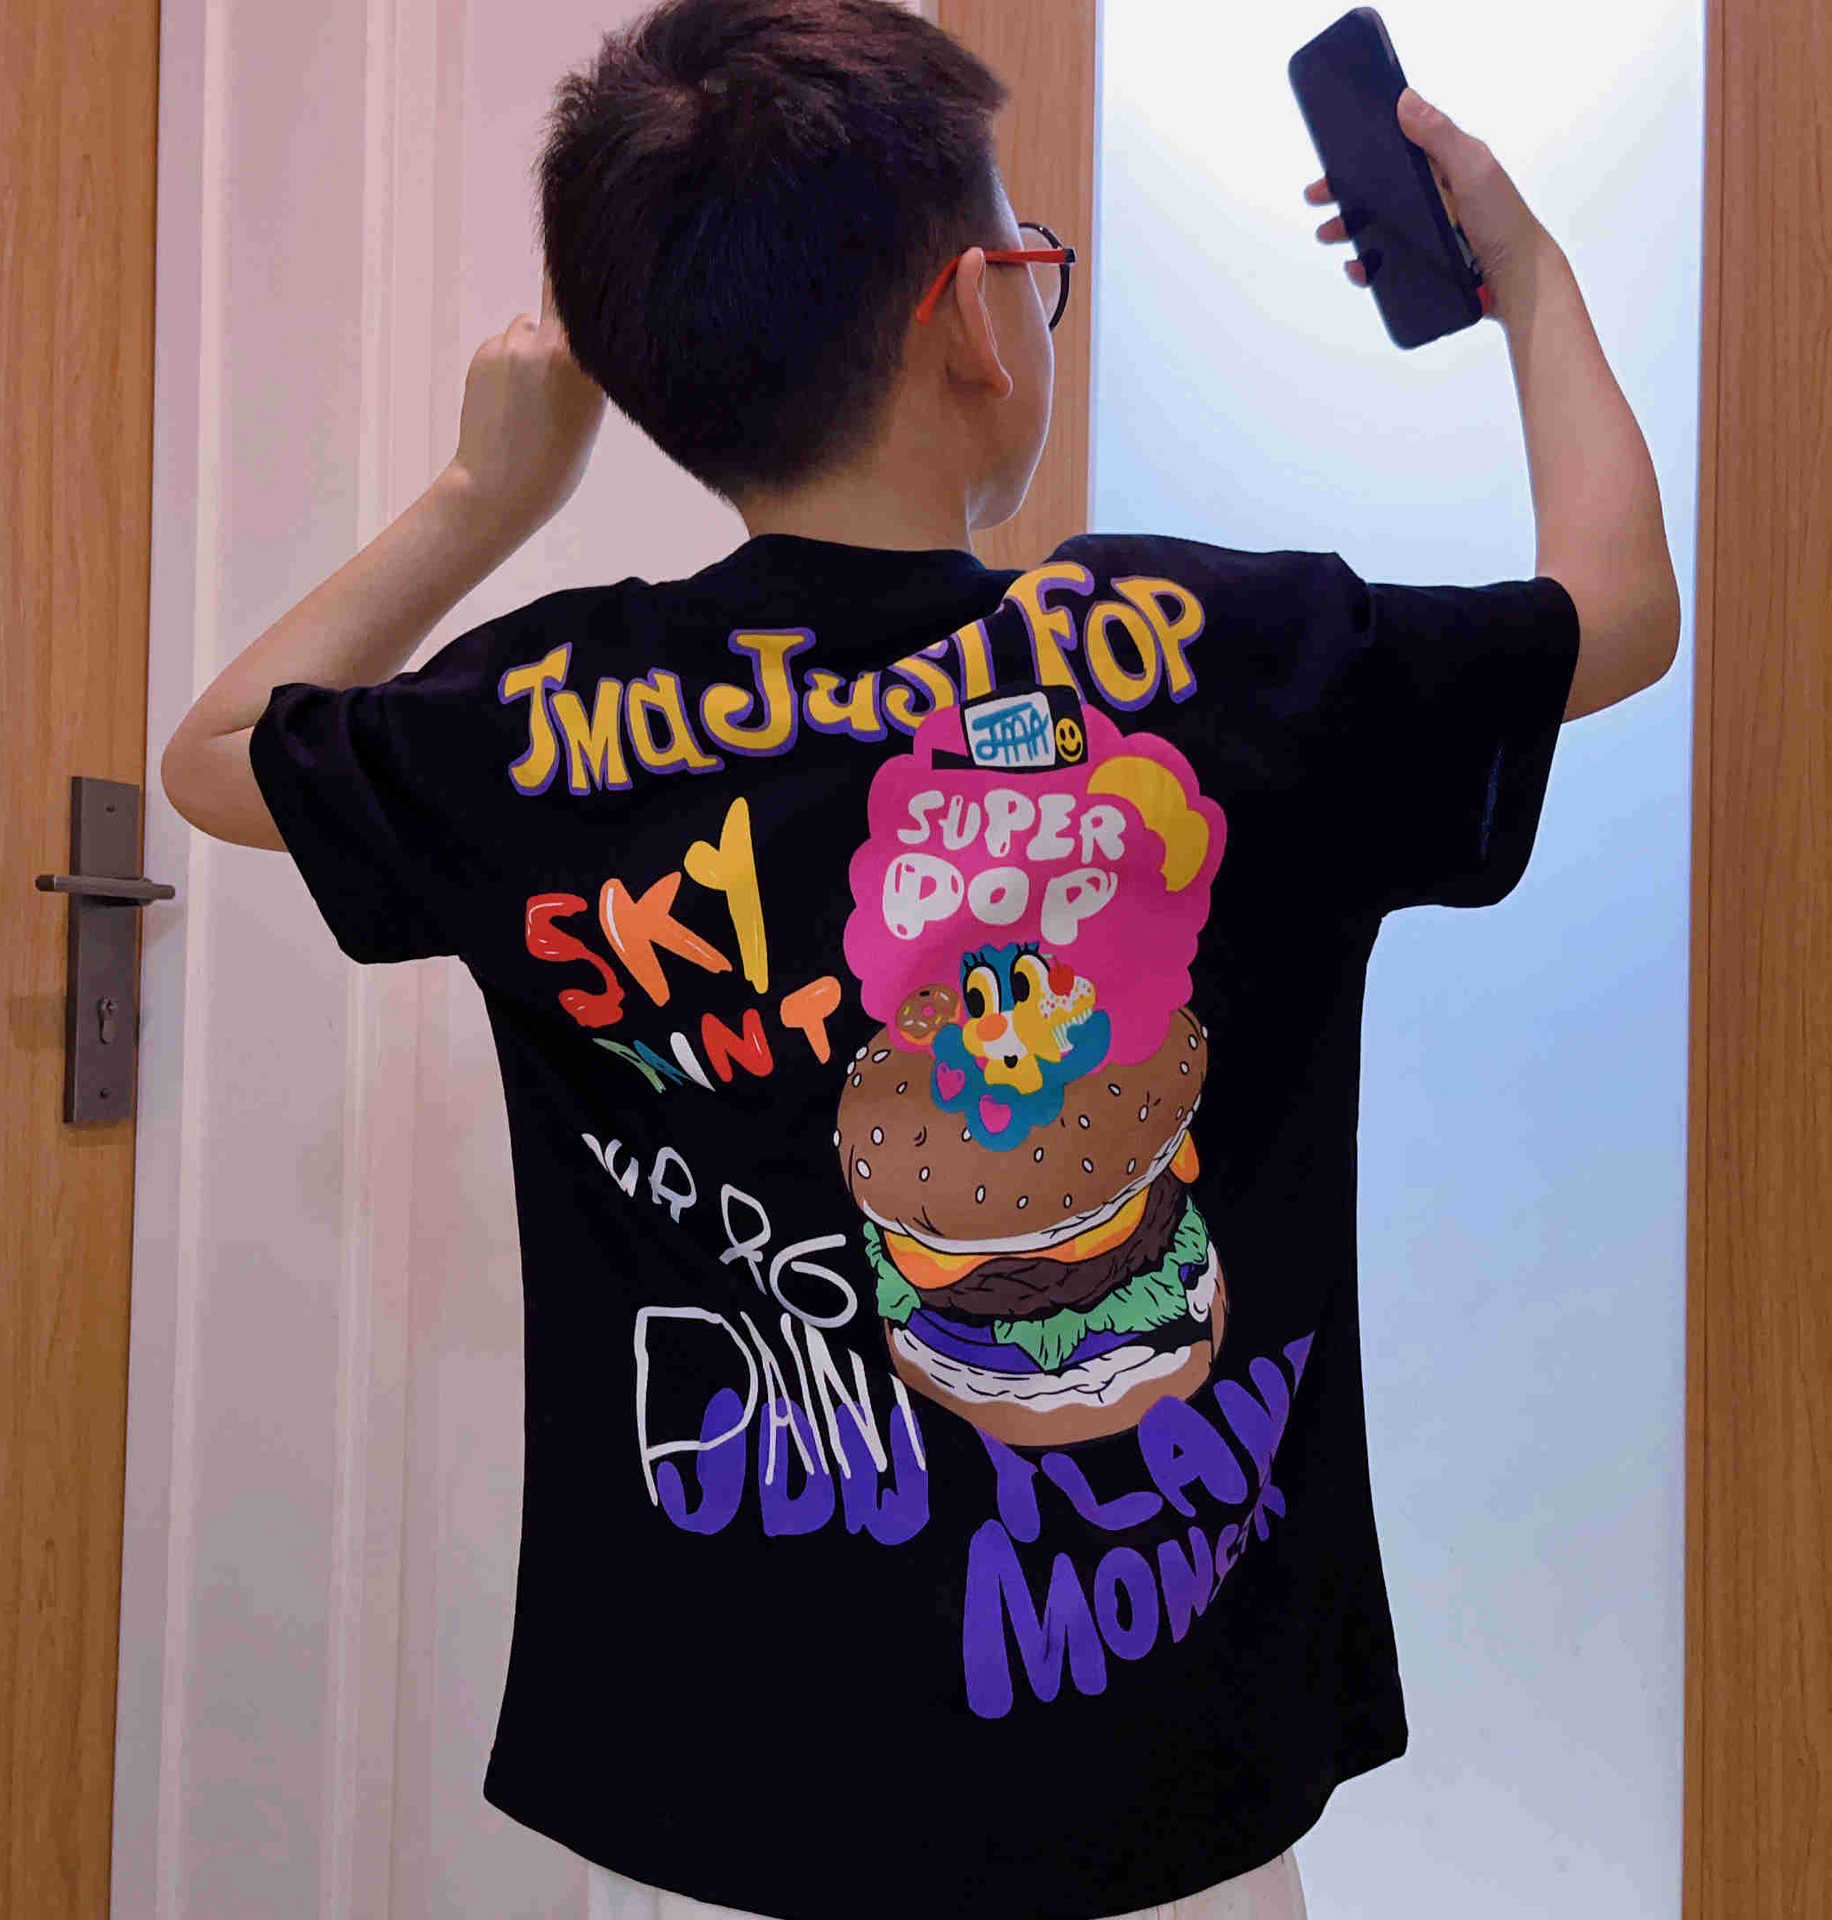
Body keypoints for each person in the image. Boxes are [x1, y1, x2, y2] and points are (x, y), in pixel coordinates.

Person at [160, 1, 1679, 1915]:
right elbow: (1617, 608)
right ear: (972, 316)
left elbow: (214, 757)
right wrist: (1521, 271)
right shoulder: (1196, 649)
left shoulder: (555, 711)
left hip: (736, 1803)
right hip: (1158, 1784)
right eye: (1029, 261)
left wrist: (487, 494)